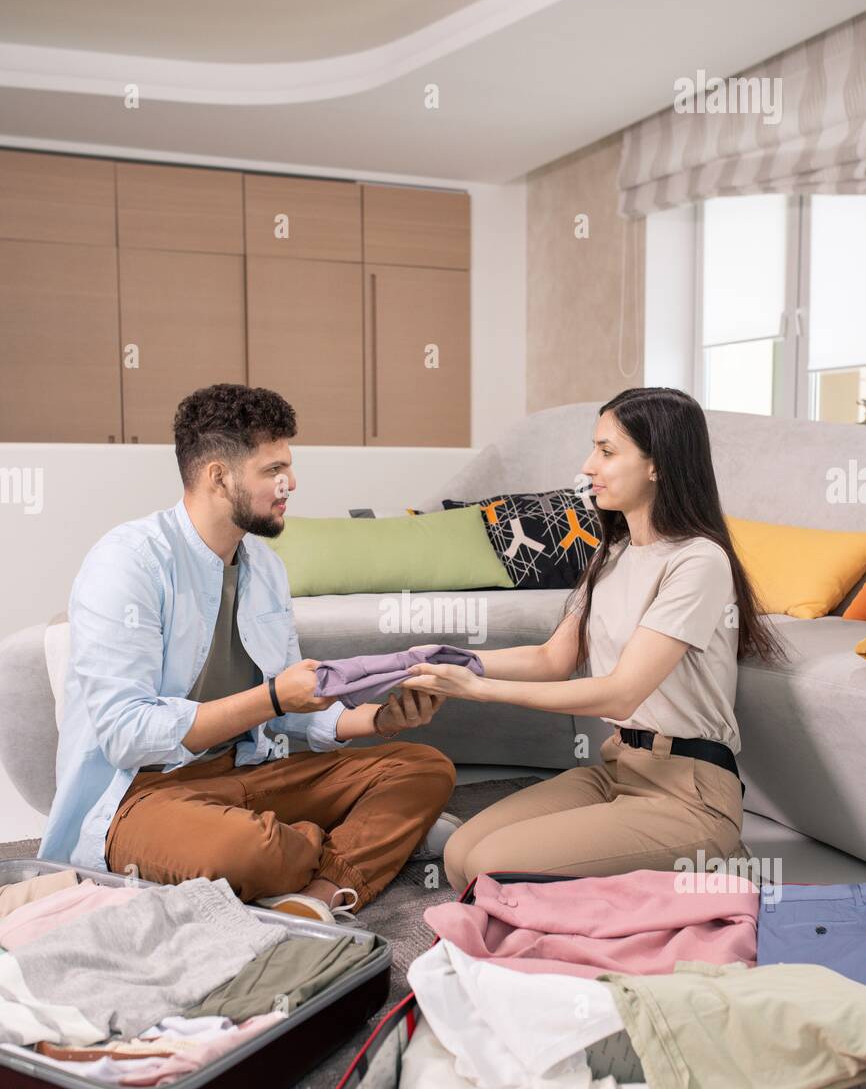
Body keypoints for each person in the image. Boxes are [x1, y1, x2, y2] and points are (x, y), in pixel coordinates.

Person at [38, 384, 458, 918]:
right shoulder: (128, 562)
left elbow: (291, 712)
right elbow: (127, 735)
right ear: (219, 477)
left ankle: (316, 898)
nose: (291, 483)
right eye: (274, 470)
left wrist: (380, 720)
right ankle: (346, 845)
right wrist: (273, 697)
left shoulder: (265, 567)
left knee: (424, 768)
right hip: (143, 794)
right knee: (252, 851)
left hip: (248, 771)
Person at [401, 386, 786, 893]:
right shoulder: (613, 555)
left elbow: (621, 693)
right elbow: (551, 658)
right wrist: (457, 660)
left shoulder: (698, 561)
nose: (587, 467)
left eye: (607, 451)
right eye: (594, 449)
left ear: (657, 464)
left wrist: (479, 690)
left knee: (490, 869)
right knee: (459, 855)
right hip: (616, 767)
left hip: (687, 792)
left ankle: (715, 862)